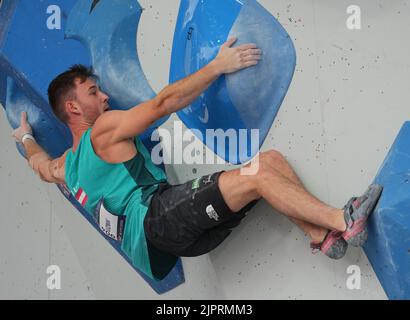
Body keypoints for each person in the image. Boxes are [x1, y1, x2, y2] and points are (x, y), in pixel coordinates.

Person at [11, 38, 382, 280]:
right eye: (94, 91)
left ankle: (323, 237)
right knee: (256, 176)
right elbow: (162, 104)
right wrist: (218, 66)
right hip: (158, 219)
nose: (105, 97)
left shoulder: (66, 170)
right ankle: (343, 219)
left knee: (268, 164)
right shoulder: (101, 132)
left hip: (171, 248)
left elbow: (39, 164)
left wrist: (25, 136)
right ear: (74, 107)